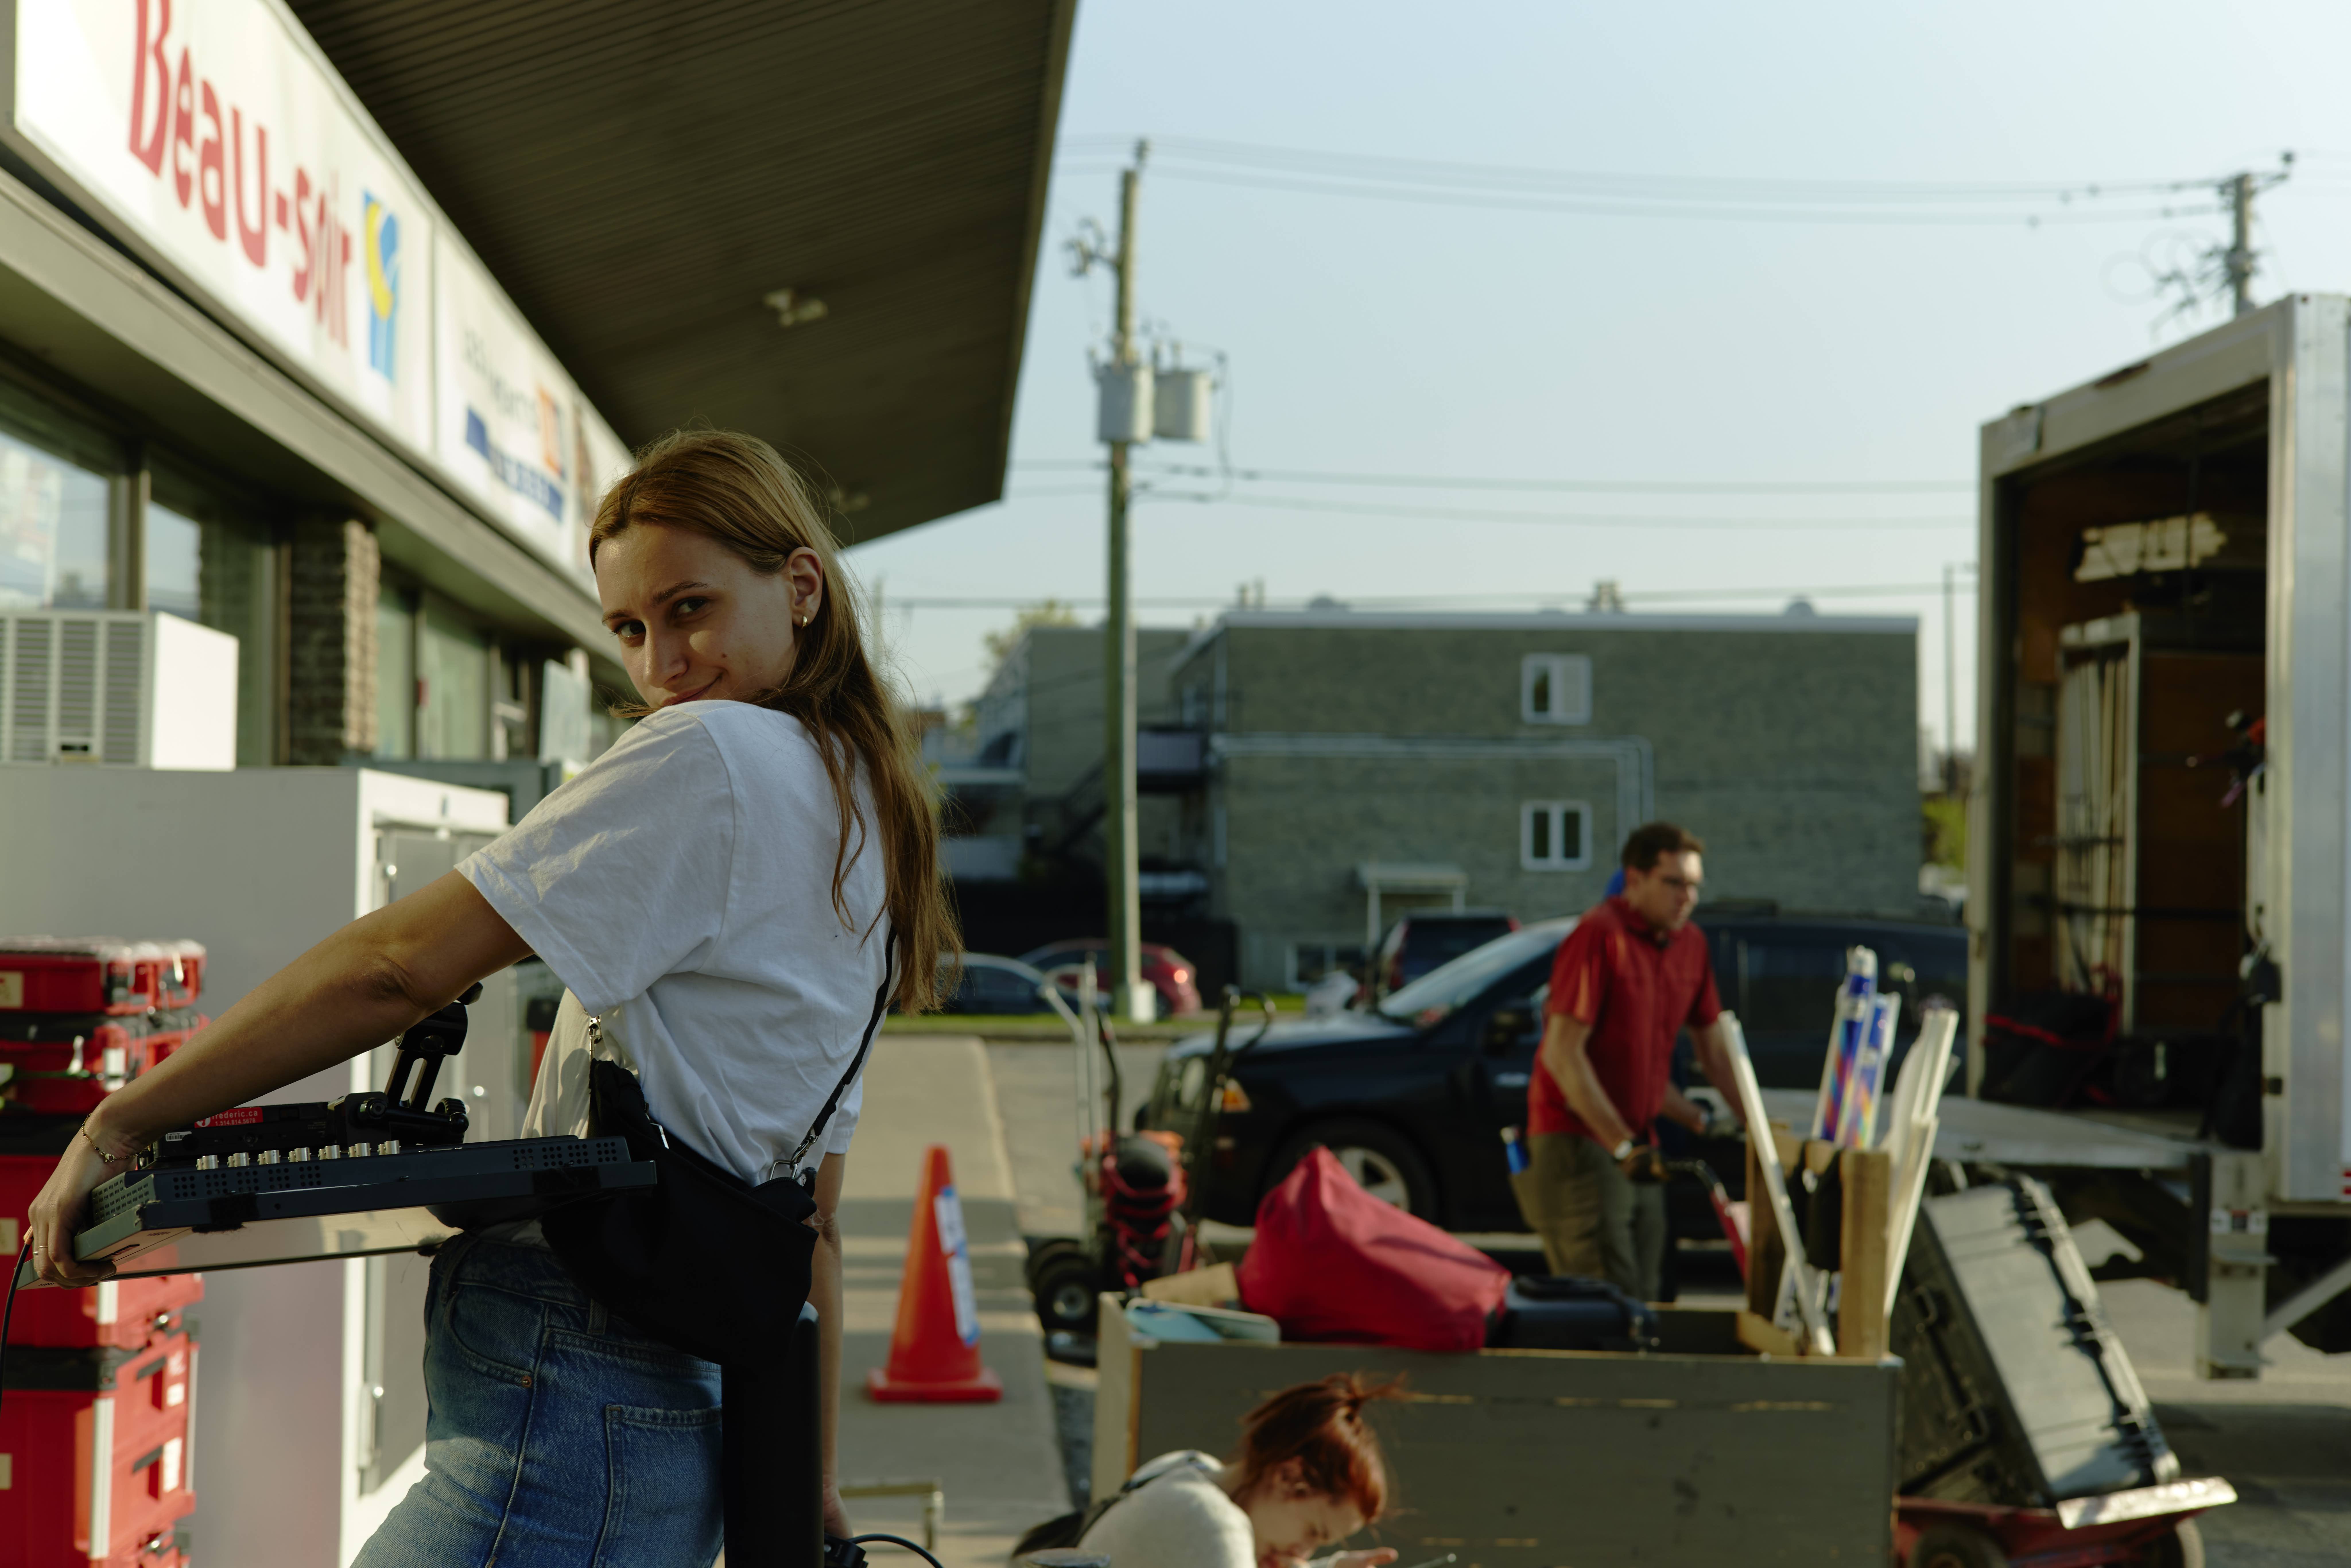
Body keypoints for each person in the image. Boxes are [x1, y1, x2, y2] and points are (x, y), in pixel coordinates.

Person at [25, 430, 954, 1566]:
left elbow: (399, 967)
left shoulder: (709, 754)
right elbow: (813, 1218)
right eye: (627, 627)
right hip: (678, 1426)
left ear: (799, 586)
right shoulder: (864, 815)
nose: (660, 663)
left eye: (691, 607)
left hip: (563, 1403)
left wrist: (124, 1118)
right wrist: (809, 1490)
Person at [1514, 821, 1741, 1300]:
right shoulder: (1599, 934)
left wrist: (1750, 1126)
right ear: (1633, 879)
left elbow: (1712, 1054)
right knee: (1606, 1297)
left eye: (1695, 884)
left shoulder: (1690, 945)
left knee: (1650, 1292)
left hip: (1639, 1143)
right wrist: (1620, 1145)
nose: (1687, 897)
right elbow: (1562, 1052)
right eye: (1673, 882)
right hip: (1578, 1139)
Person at [1076, 1375, 1404, 1568]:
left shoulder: (1189, 1466)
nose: (1302, 1553)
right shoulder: (1215, 1525)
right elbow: (1217, 1546)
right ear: (1288, 1476)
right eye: (1314, 1531)